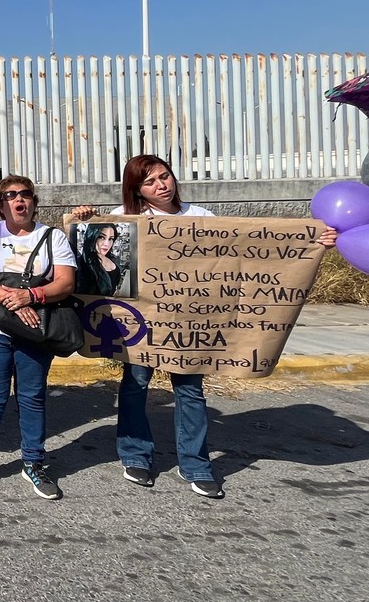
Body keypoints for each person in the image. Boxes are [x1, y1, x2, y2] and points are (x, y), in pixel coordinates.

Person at [71, 154, 337, 499]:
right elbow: (94, 256)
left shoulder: (202, 218)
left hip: (190, 327)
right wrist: (83, 217)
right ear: (137, 190)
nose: (161, 185)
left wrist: (313, 240)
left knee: (190, 392)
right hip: (143, 330)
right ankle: (136, 456)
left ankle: (195, 464)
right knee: (135, 387)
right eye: (150, 182)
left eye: (164, 176)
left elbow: (253, 248)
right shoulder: (126, 220)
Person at [0, 175, 76, 501]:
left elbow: (65, 283)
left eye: (25, 194)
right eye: (10, 196)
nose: (18, 200)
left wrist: (33, 296)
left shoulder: (53, 237)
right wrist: (15, 299)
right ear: (0, 205)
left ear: (34, 202)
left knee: (32, 396)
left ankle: (34, 463)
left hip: (35, 331)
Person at [75, 222, 127, 296]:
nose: (107, 244)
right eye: (102, 237)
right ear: (92, 236)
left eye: (110, 239)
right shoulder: (82, 264)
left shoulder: (113, 259)